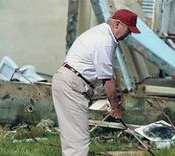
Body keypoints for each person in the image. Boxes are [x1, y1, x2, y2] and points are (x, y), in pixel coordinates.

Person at [52, 9, 140, 155]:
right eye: (128, 30)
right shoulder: (105, 42)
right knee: (78, 141)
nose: (128, 34)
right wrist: (115, 107)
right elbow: (107, 80)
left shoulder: (101, 33)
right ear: (117, 24)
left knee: (73, 138)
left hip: (71, 82)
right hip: (72, 85)